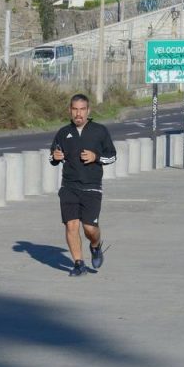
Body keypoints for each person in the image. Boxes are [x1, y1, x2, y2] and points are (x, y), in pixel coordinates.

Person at [49, 93, 116, 276]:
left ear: (88, 111)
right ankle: (78, 264)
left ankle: (95, 245)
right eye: (75, 109)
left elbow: (112, 156)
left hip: (91, 186)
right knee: (71, 225)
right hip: (69, 186)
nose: (78, 113)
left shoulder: (100, 131)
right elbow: (52, 156)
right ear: (70, 110)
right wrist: (55, 157)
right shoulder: (63, 133)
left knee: (89, 228)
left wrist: (96, 157)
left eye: (82, 109)